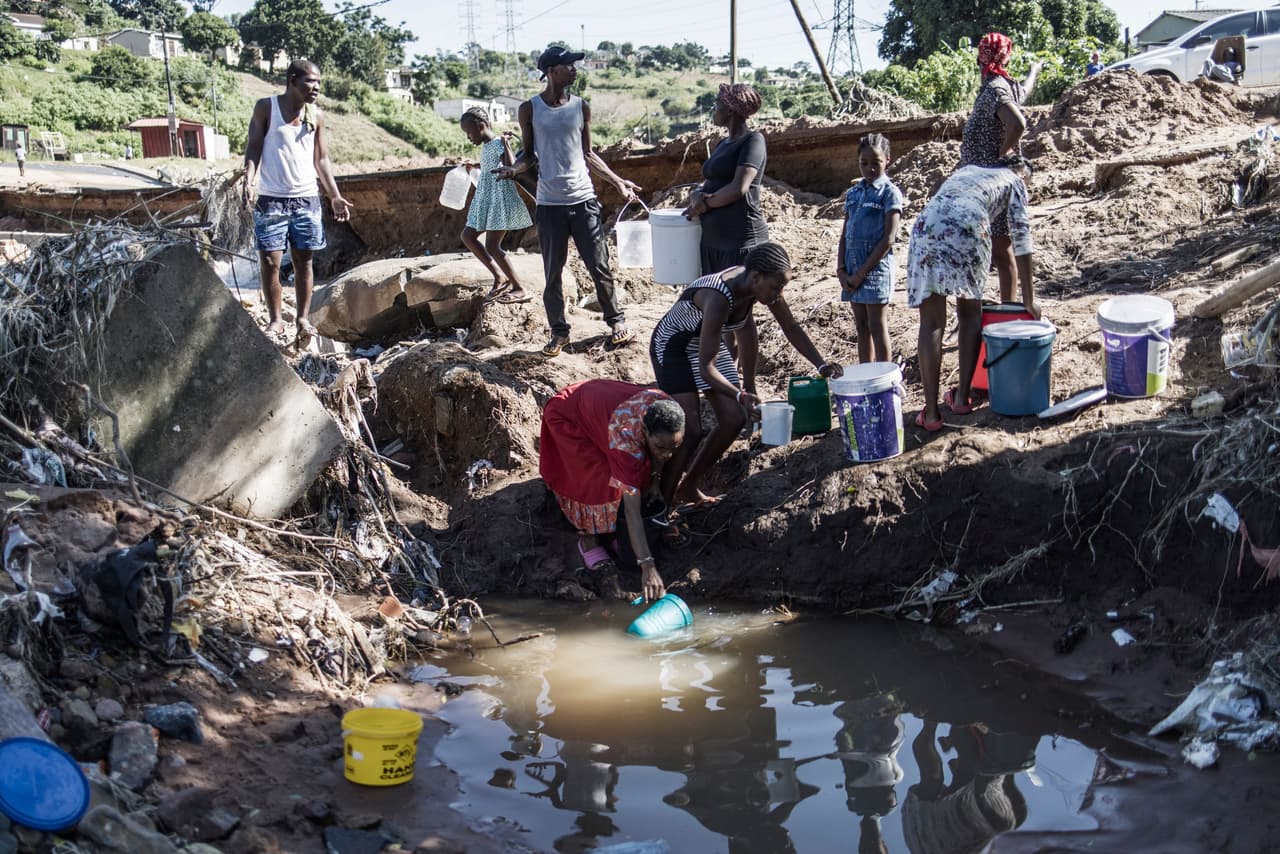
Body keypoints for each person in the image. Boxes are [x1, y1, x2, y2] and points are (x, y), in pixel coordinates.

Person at [650, 242, 842, 511]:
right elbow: (707, 366)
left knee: (734, 418)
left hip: (705, 345)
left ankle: (688, 486)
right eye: (776, 287)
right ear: (755, 277)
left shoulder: (758, 285)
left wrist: (821, 365)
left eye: (782, 287)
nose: (779, 294)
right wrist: (740, 392)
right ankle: (661, 506)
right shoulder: (717, 298)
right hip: (674, 349)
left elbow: (787, 327)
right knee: (690, 431)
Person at [494, 45, 640, 357]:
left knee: (598, 265)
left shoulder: (580, 107)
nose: (574, 70)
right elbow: (529, 156)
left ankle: (616, 322)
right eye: (568, 65)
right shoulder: (530, 109)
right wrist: (513, 169)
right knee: (553, 272)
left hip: (583, 199)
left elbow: (588, 154)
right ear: (550, 71)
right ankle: (559, 333)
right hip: (549, 205)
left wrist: (617, 181)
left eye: (574, 65)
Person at [907, 155, 1037, 431]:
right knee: (969, 313)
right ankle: (962, 399)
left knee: (931, 323)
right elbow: (1022, 240)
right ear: (1021, 172)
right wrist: (1029, 299)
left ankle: (930, 414)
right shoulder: (1015, 180)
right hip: (968, 225)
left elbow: (945, 201)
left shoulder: (970, 170)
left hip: (926, 225)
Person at [539, 379, 685, 601]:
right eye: (661, 447)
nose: (667, 455)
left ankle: (615, 533)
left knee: (635, 471)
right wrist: (648, 567)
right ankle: (589, 539)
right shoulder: (625, 441)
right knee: (600, 480)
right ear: (644, 430)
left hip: (598, 405)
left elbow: (661, 450)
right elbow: (632, 512)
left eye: (674, 447)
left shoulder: (667, 409)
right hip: (569, 417)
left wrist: (654, 482)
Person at [242, 59, 354, 346]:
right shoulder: (266, 107)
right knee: (270, 262)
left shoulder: (315, 115)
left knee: (304, 261)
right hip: (271, 200)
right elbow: (254, 147)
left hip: (306, 199)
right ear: (292, 80)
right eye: (310, 81)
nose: (316, 87)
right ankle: (277, 320)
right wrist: (249, 180)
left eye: (318, 82)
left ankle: (303, 318)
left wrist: (335, 195)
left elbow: (322, 159)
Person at [958, 32, 1029, 304]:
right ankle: (995, 308)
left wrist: (1002, 153)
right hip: (985, 186)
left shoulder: (995, 89)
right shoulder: (1005, 85)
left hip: (990, 185)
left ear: (980, 58)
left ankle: (1008, 309)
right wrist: (1035, 71)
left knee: (1000, 251)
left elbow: (1018, 124)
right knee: (996, 250)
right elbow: (1024, 91)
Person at [684, 83, 769, 277]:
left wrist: (703, 204)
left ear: (730, 109)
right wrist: (696, 193)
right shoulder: (723, 143)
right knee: (717, 303)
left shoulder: (753, 140)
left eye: (717, 105)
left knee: (738, 305)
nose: (714, 110)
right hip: (714, 244)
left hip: (740, 241)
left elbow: (739, 188)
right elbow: (714, 181)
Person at [838, 133, 903, 364]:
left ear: (888, 160)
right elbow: (846, 232)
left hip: (874, 270)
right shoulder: (854, 193)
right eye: (864, 163)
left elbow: (888, 239)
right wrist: (841, 269)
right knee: (861, 326)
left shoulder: (889, 193)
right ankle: (866, 374)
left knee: (876, 324)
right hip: (852, 268)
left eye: (876, 162)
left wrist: (861, 273)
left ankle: (885, 377)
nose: (869, 168)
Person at [459, 106, 533, 305]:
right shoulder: (488, 146)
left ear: (481, 125)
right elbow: (493, 163)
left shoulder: (498, 143)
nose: (468, 137)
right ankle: (500, 276)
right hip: (487, 198)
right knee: (468, 236)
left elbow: (511, 166)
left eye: (469, 132)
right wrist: (475, 166)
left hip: (500, 199)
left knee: (492, 245)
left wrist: (506, 144)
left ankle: (519, 288)